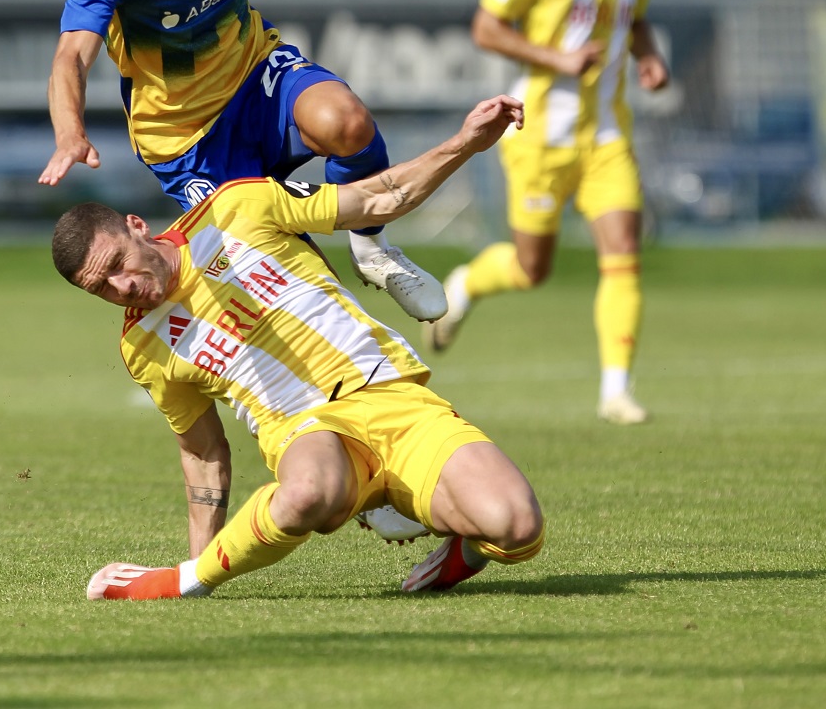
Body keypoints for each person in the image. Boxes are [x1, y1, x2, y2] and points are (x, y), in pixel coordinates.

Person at [50, 94, 544, 600]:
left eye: (116, 265)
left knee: (519, 525)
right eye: (101, 288)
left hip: (390, 393)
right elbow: (202, 453)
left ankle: (451, 548)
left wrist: (465, 143)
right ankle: (183, 582)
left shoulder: (233, 209)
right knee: (310, 489)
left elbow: (375, 200)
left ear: (137, 226)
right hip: (302, 431)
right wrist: (199, 561)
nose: (121, 288)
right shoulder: (142, 345)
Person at [39, 0, 446, 321]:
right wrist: (69, 132)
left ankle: (372, 250)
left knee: (346, 122)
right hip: (184, 133)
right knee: (297, 284)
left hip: (252, 71)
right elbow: (72, 53)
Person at [424, 0, 670, 426]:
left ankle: (616, 391)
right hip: (538, 136)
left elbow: (632, 20)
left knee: (624, 254)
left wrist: (648, 56)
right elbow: (486, 27)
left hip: (607, 136)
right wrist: (555, 59)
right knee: (533, 269)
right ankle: (467, 283)